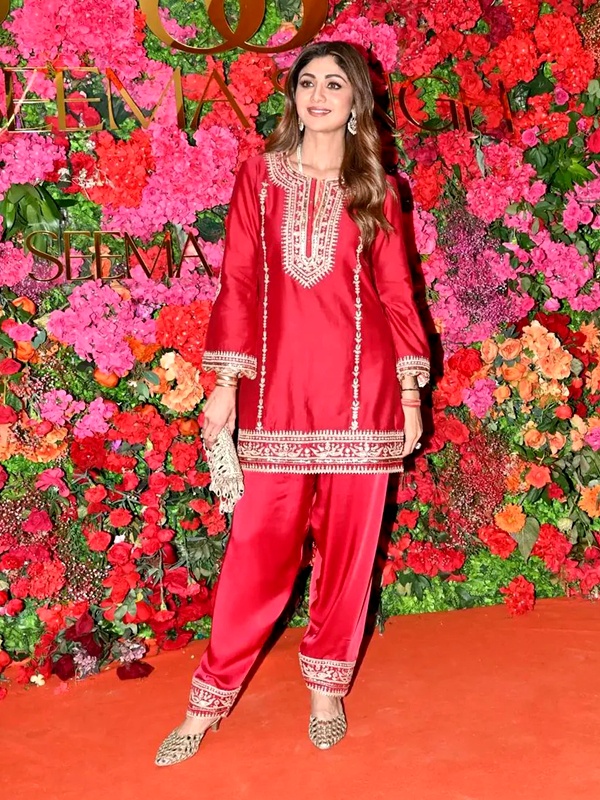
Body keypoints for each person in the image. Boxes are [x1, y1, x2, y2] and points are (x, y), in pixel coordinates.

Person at [155, 40, 430, 767]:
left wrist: (408, 397)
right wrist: (223, 387)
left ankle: (326, 689)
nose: (317, 96)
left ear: (355, 102)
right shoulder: (260, 175)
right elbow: (239, 282)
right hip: (276, 400)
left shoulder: (378, 188)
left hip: (360, 400)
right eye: (307, 83)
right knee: (255, 553)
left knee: (348, 557)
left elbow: (398, 294)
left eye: (333, 85)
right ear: (294, 97)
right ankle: (206, 700)